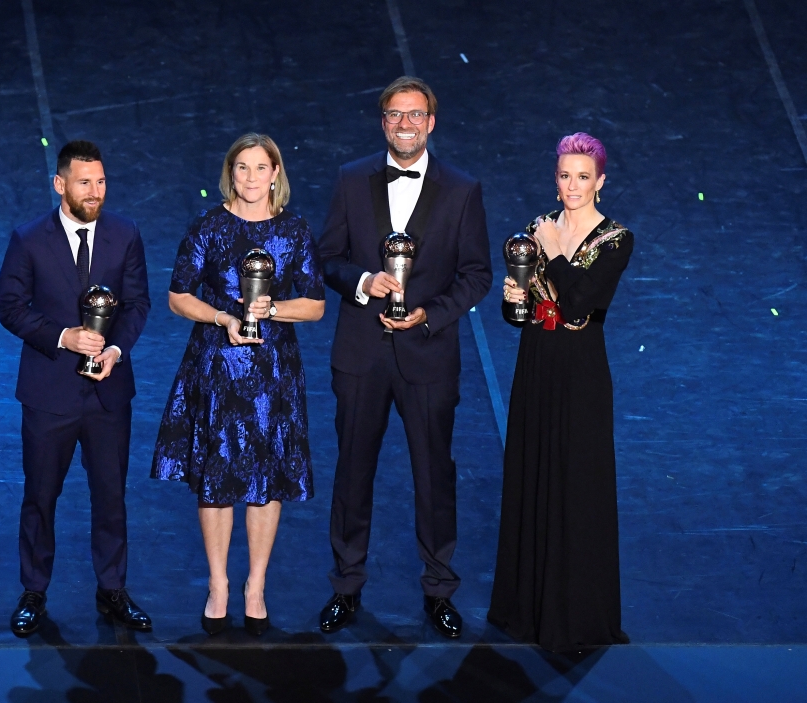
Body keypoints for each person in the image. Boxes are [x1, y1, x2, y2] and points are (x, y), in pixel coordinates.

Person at [315, 76, 492, 639]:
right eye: (395, 114)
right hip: (361, 353)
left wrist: (431, 314)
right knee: (352, 474)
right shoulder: (351, 180)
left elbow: (478, 274)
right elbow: (328, 257)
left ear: (431, 123)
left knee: (434, 476)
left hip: (428, 355)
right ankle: (346, 587)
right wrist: (364, 281)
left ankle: (439, 590)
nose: (405, 124)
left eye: (416, 115)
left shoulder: (462, 190)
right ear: (383, 121)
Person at [151, 133, 325, 636]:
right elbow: (177, 296)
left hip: (273, 371)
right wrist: (222, 317)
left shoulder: (294, 230)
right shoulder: (209, 226)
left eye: (260, 168)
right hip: (218, 366)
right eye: (242, 168)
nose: (251, 177)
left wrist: (273, 309)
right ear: (232, 174)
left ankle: (255, 587)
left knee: (265, 479)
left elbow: (314, 304)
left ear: (276, 174)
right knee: (216, 476)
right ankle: (219, 585)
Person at [0, 140, 152, 637]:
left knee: (111, 496)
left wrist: (114, 352)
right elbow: (11, 306)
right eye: (85, 182)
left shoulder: (125, 234)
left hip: (108, 392)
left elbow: (137, 305)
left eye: (101, 181)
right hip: (50, 394)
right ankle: (34, 592)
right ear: (60, 184)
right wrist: (62, 336)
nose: (95, 191)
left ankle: (112, 590)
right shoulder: (28, 239)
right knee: (41, 496)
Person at [488, 132, 633, 651]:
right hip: (537, 365)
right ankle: (524, 608)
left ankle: (577, 615)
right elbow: (519, 313)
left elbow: (578, 305)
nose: (573, 186)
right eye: (565, 176)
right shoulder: (535, 230)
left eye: (583, 178)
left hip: (581, 372)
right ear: (556, 179)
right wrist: (512, 299)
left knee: (578, 481)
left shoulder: (615, 240)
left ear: (601, 182)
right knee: (532, 473)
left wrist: (550, 254)